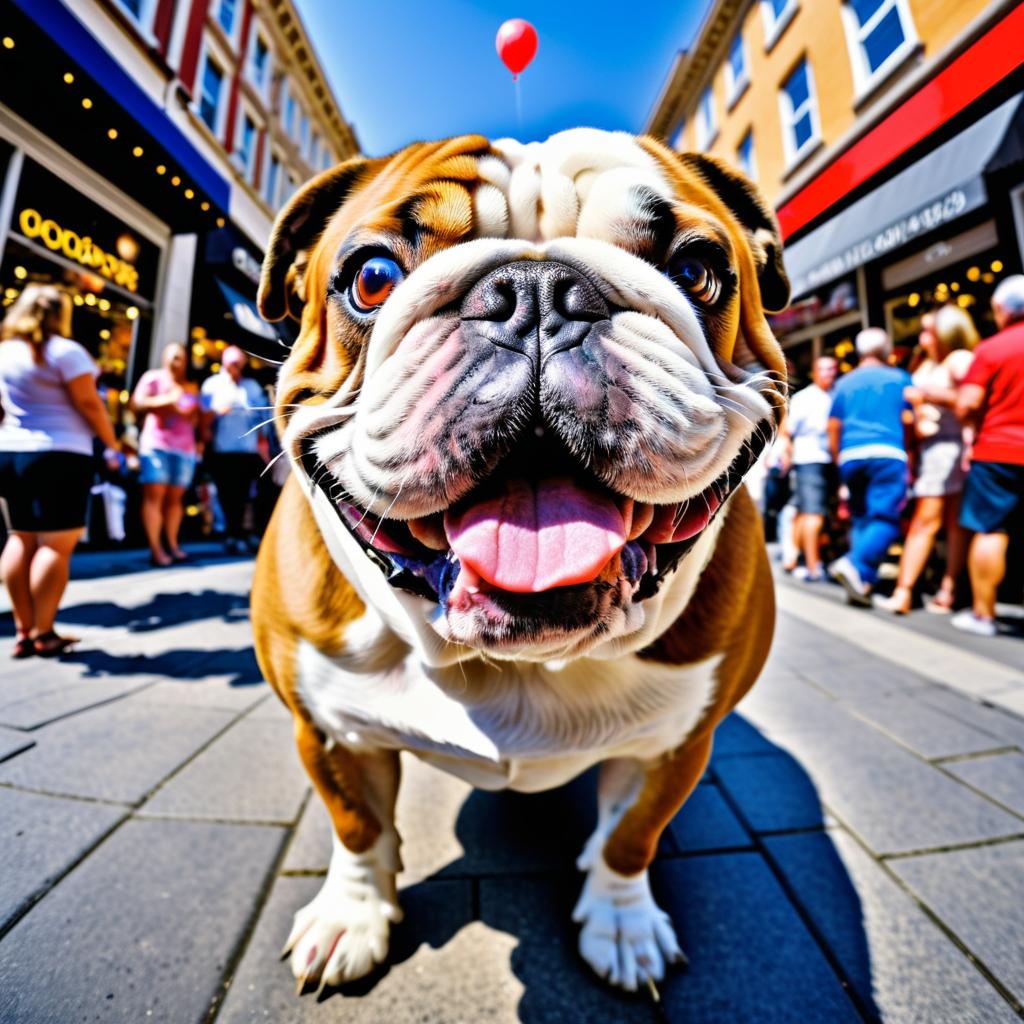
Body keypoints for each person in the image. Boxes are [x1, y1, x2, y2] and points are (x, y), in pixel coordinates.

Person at [0, 285, 120, 657]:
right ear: (58, 314)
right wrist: (112, 444)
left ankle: (23, 631)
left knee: (20, 537)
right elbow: (89, 403)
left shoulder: (4, 352)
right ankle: (44, 632)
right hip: (61, 454)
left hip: (10, 452)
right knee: (55, 545)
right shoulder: (67, 352)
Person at [874, 306, 977, 614]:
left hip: (947, 448)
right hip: (932, 449)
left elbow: (971, 402)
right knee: (950, 524)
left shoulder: (959, 359)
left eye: (929, 330)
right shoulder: (931, 363)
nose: (923, 337)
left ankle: (905, 591)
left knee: (925, 523)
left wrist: (927, 395)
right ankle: (947, 589)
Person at [952, 275, 1024, 637]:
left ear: (1001, 310)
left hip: (999, 451)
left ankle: (983, 615)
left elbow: (968, 404)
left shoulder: (992, 349)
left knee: (990, 529)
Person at [826, 328, 913, 605]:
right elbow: (910, 418)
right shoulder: (899, 378)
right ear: (886, 349)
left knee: (862, 517)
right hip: (888, 453)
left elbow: (833, 425)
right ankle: (855, 563)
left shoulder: (844, 383)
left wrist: (839, 457)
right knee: (886, 519)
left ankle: (861, 582)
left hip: (851, 455)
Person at [131, 342, 199, 567]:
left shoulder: (190, 387)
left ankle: (172, 543)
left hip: (184, 447)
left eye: (180, 357)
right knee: (154, 496)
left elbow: (194, 417)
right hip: (157, 444)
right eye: (173, 356)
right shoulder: (153, 378)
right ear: (164, 358)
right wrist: (168, 400)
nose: (176, 361)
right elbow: (136, 404)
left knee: (175, 499)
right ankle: (156, 549)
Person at [201, 346, 269, 553]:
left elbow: (262, 420)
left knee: (246, 494)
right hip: (223, 450)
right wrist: (216, 414)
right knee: (227, 494)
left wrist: (263, 447)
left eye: (238, 364)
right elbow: (202, 417)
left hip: (247, 451)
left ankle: (244, 533)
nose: (235, 368)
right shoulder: (212, 385)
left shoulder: (251, 387)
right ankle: (231, 534)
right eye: (232, 363)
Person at [780, 355, 838, 581]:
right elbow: (787, 431)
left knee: (808, 512)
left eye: (832, 369)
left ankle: (796, 556)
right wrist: (788, 456)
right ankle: (813, 565)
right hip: (808, 460)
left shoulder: (837, 395)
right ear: (815, 373)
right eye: (823, 369)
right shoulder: (805, 398)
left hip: (830, 460)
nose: (828, 373)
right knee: (812, 514)